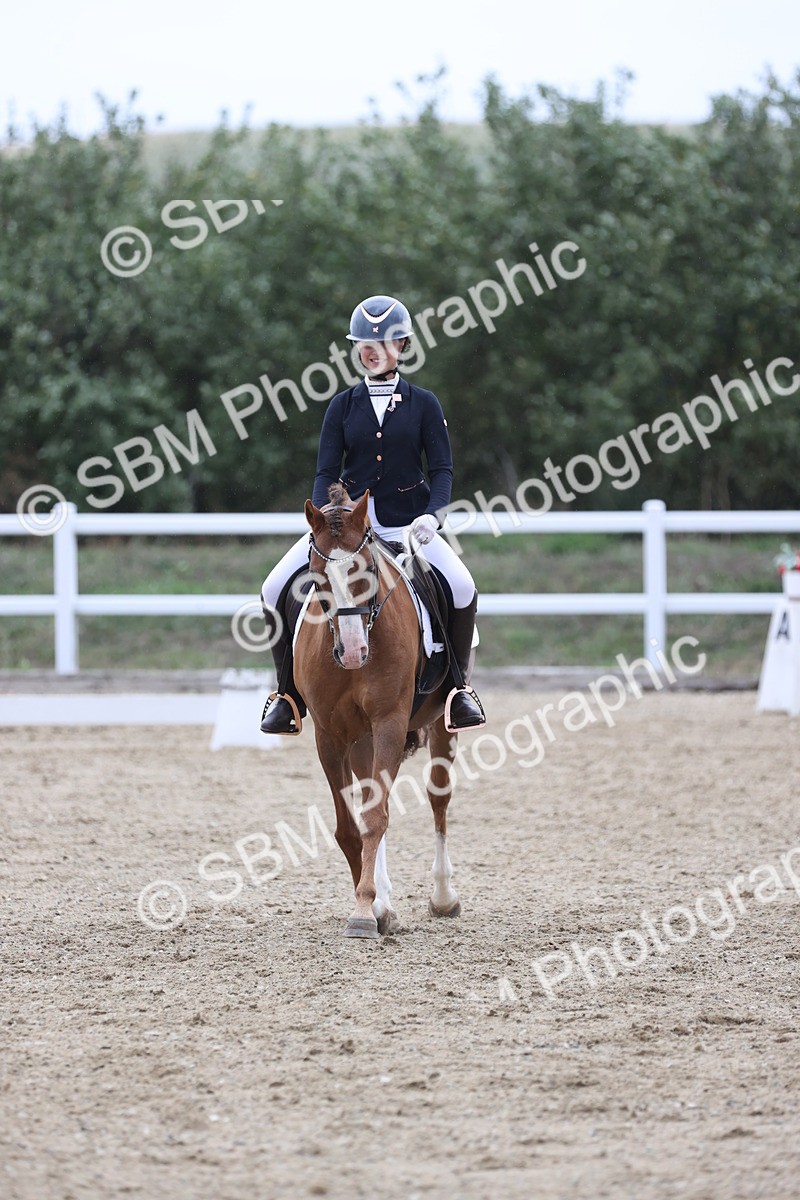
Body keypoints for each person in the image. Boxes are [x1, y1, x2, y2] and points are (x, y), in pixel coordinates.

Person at [259, 294, 486, 735]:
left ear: (401, 346)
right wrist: (328, 519)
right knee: (272, 589)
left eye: (382, 344)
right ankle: (286, 695)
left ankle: (459, 691)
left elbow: (441, 469)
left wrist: (434, 516)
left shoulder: (423, 403)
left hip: (408, 525)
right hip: (349, 528)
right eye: (364, 344)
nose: (372, 351)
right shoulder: (342, 406)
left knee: (462, 586)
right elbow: (326, 470)